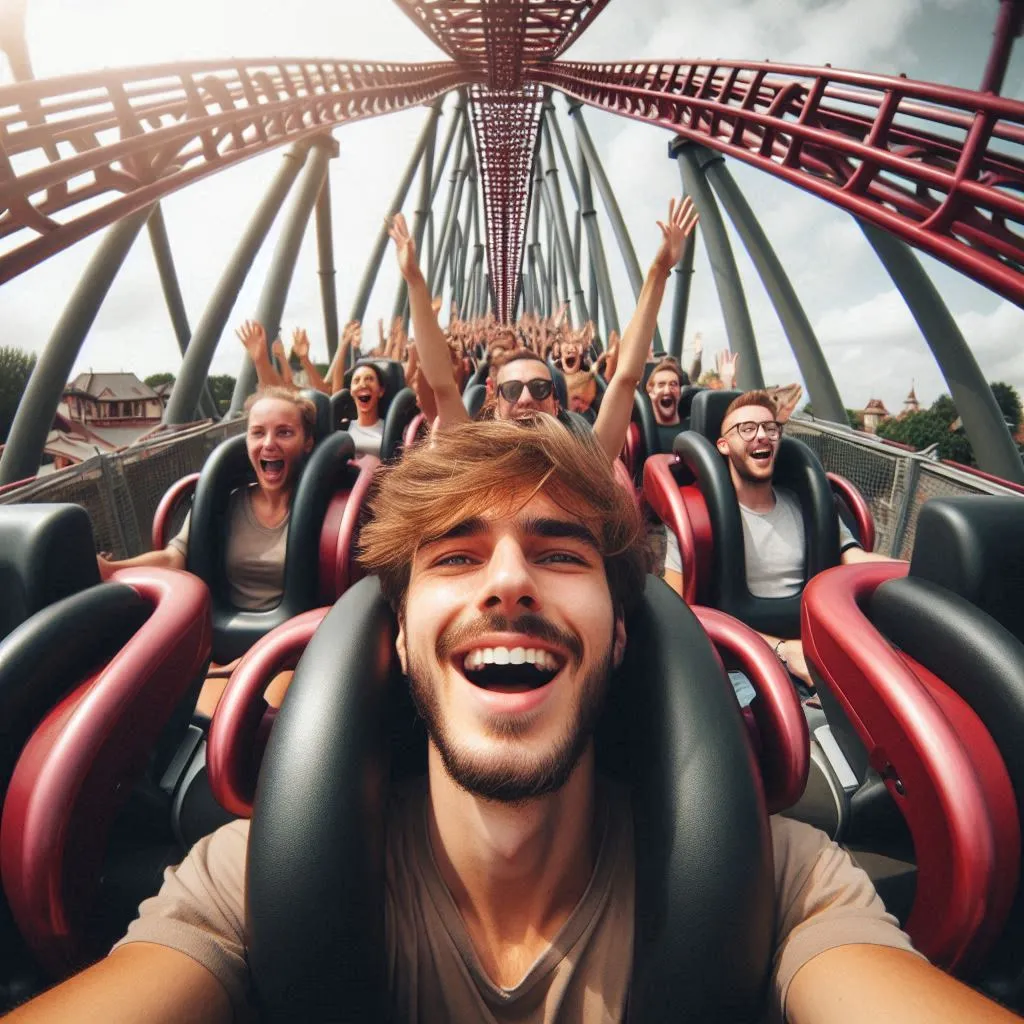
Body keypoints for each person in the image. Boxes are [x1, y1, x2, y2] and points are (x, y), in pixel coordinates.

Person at [16, 417, 1018, 1024]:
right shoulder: (252, 878)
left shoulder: (781, 879)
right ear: (398, 640)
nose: (506, 582)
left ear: (621, 635)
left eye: (559, 552)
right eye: (454, 555)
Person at [388, 197, 699, 464]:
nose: (525, 399)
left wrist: (659, 272)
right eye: (511, 390)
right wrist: (414, 280)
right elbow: (442, 383)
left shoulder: (582, 461)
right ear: (495, 402)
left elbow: (626, 378)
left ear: (556, 402)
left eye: (539, 388)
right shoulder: (472, 456)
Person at [97, 385, 316, 714]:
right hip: (225, 645)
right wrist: (111, 570)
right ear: (247, 442)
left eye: (284, 432)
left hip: (290, 650)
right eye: (258, 433)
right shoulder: (225, 503)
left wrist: (259, 657)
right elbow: (175, 557)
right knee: (187, 718)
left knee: (260, 720)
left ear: (307, 442)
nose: (269, 443)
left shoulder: (324, 509)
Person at [716, 390, 894, 690]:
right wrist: (782, 650)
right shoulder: (702, 513)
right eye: (746, 428)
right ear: (723, 444)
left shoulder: (805, 505)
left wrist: (925, 573)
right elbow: (685, 612)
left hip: (816, 647)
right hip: (744, 663)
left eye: (770, 428)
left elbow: (856, 560)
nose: (761, 436)